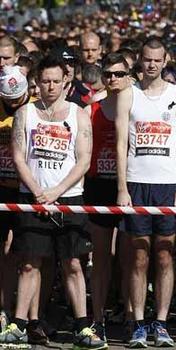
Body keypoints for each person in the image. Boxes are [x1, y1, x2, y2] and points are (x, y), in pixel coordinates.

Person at [0, 54, 105, 349]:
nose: (50, 86)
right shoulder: (26, 113)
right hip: (32, 199)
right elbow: (19, 156)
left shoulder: (78, 114)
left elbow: (84, 160)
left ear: (66, 82)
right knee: (29, 264)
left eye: (56, 81)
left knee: (73, 263)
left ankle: (84, 327)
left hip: (68, 199)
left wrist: (56, 191)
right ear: (37, 82)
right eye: (45, 81)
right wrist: (37, 190)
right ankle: (18, 325)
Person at [115, 37, 176, 348]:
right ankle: (137, 322)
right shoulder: (127, 94)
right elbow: (120, 144)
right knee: (139, 256)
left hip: (168, 184)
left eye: (157, 59)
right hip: (135, 182)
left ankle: (160, 321)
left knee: (164, 254)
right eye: (147, 59)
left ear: (165, 60)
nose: (152, 64)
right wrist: (122, 187)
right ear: (140, 60)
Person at [85, 53, 131, 345]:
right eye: (108, 74)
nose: (113, 79)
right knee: (101, 256)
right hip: (98, 186)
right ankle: (98, 318)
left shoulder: (137, 106)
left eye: (118, 74)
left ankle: (130, 317)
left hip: (128, 186)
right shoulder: (93, 109)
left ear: (129, 76)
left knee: (129, 258)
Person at [0, 65, 29, 335]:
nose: (12, 104)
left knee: (17, 252)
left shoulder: (31, 110)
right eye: (7, 101)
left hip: (24, 190)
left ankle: (20, 313)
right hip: (1, 188)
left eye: (16, 99)